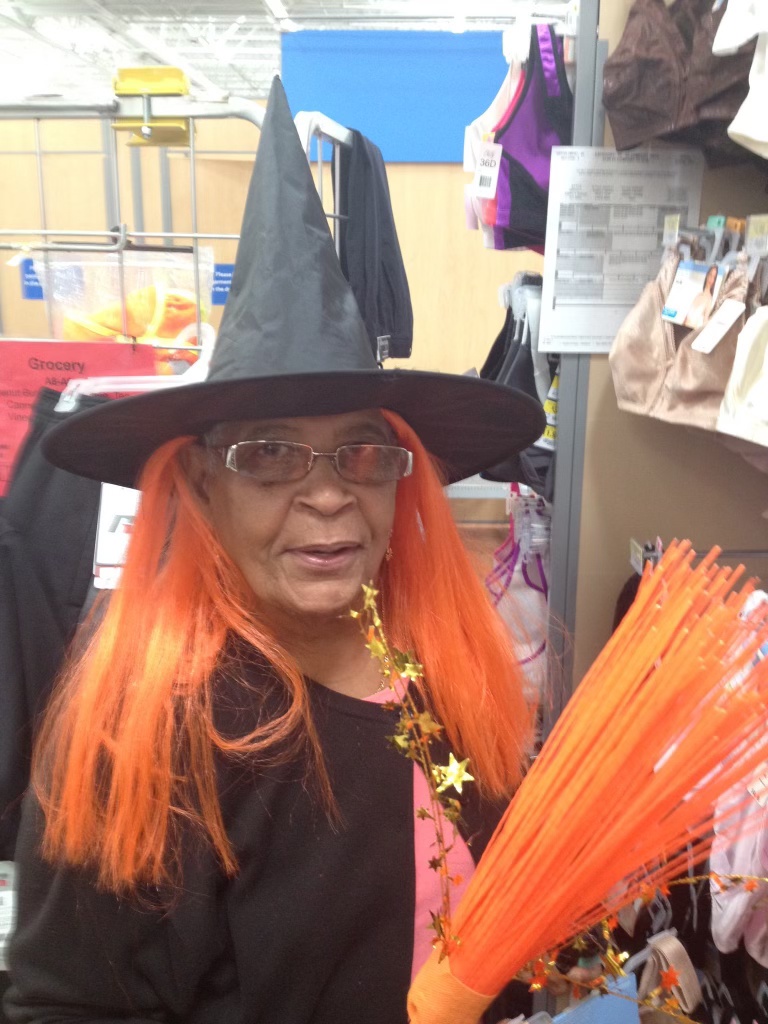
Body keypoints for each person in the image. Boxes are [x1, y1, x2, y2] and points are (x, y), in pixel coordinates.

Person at [4, 79, 545, 1024]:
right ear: (201, 485)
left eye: (362, 452)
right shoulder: (147, 730)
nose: (328, 493)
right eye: (268, 454)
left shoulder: (440, 662)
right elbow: (69, 1003)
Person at [684, 263, 719, 330]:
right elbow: (687, 316)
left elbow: (705, 321)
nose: (711, 278)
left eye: (714, 277)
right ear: (707, 275)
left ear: (715, 280)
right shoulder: (698, 294)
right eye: (710, 275)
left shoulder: (709, 300)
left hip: (692, 330)